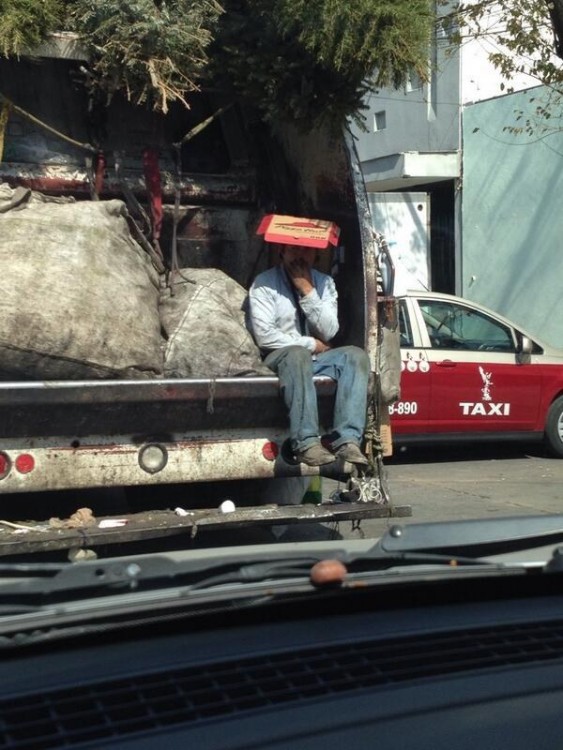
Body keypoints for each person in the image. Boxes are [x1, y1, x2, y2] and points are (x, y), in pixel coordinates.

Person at [248, 242, 370, 467]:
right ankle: (306, 443)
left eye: (306, 249)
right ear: (282, 251)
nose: (299, 255)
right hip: (278, 359)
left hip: (314, 361)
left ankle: (346, 440)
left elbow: (329, 330)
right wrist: (310, 344)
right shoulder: (264, 283)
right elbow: (265, 337)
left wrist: (307, 290)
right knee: (298, 354)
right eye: (293, 249)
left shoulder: (325, 283)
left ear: (316, 254)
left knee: (355, 356)